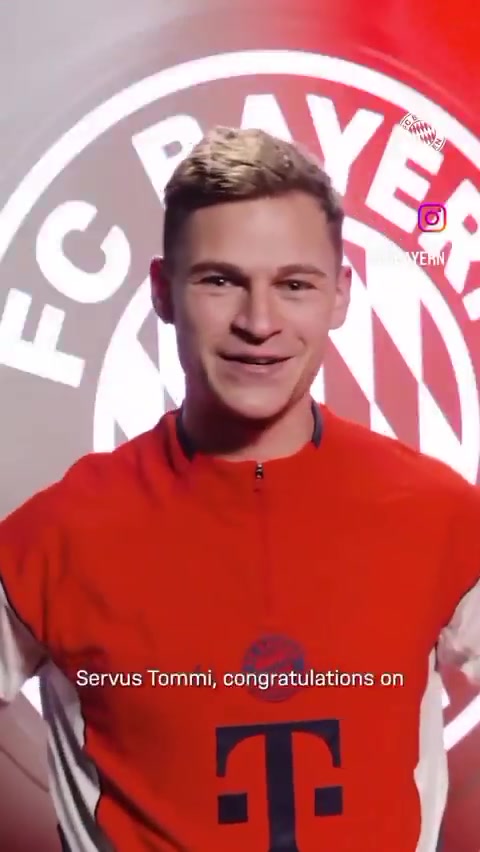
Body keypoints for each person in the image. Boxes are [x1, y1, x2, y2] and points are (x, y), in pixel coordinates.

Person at [0, 125, 478, 852]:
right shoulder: (59, 535)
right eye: (219, 280)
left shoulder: (438, 514)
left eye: (294, 284)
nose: (258, 323)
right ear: (163, 291)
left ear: (340, 295)